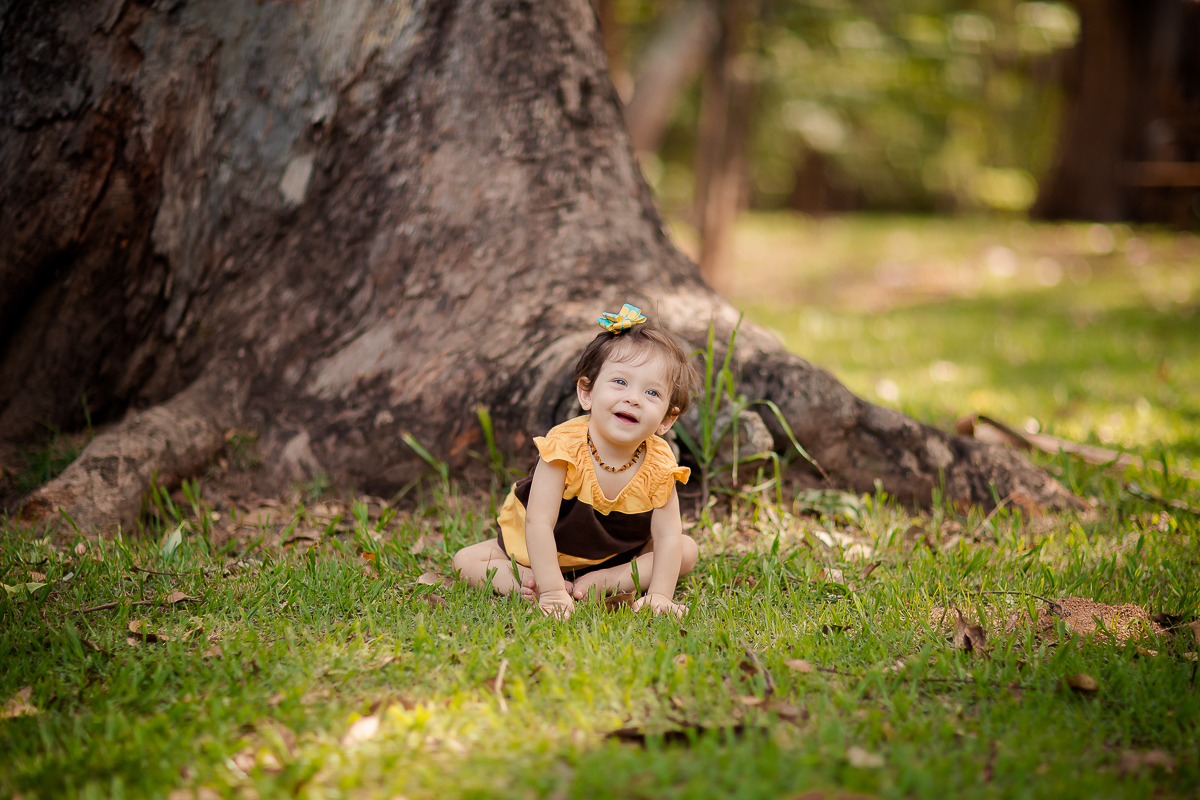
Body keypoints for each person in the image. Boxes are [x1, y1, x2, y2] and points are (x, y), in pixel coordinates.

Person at [452, 304, 699, 619]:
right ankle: (529, 583)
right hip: (540, 552)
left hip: (614, 555)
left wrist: (661, 595)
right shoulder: (564, 448)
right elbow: (538, 522)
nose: (633, 398)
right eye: (620, 382)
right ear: (587, 393)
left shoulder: (661, 463)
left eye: (652, 392)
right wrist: (552, 589)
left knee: (685, 549)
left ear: (666, 420)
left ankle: (604, 581)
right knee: (466, 561)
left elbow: (666, 534)